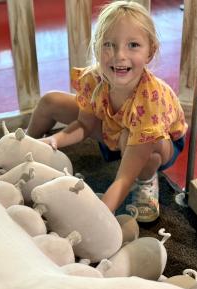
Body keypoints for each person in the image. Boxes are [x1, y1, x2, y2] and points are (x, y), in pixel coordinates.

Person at [26, 1, 188, 222]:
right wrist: (53, 140)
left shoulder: (150, 101)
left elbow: (123, 178)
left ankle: (147, 180)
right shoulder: (95, 79)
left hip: (159, 141)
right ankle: (22, 147)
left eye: (133, 45)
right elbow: (84, 125)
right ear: (96, 48)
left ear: (151, 51)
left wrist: (100, 214)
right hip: (112, 127)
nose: (119, 55)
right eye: (108, 44)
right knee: (50, 101)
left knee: (145, 153)